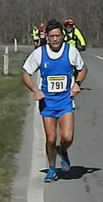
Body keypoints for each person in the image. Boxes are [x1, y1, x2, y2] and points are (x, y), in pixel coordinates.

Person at [22, 19, 88, 182]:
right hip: (47, 102)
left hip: (65, 101)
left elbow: (83, 69)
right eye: (52, 36)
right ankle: (52, 168)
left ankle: (63, 150)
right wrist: (35, 90)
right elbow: (25, 73)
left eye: (58, 36)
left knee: (67, 137)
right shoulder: (39, 53)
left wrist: (77, 84)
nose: (55, 39)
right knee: (50, 138)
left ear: (62, 36)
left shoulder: (70, 51)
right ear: (48, 37)